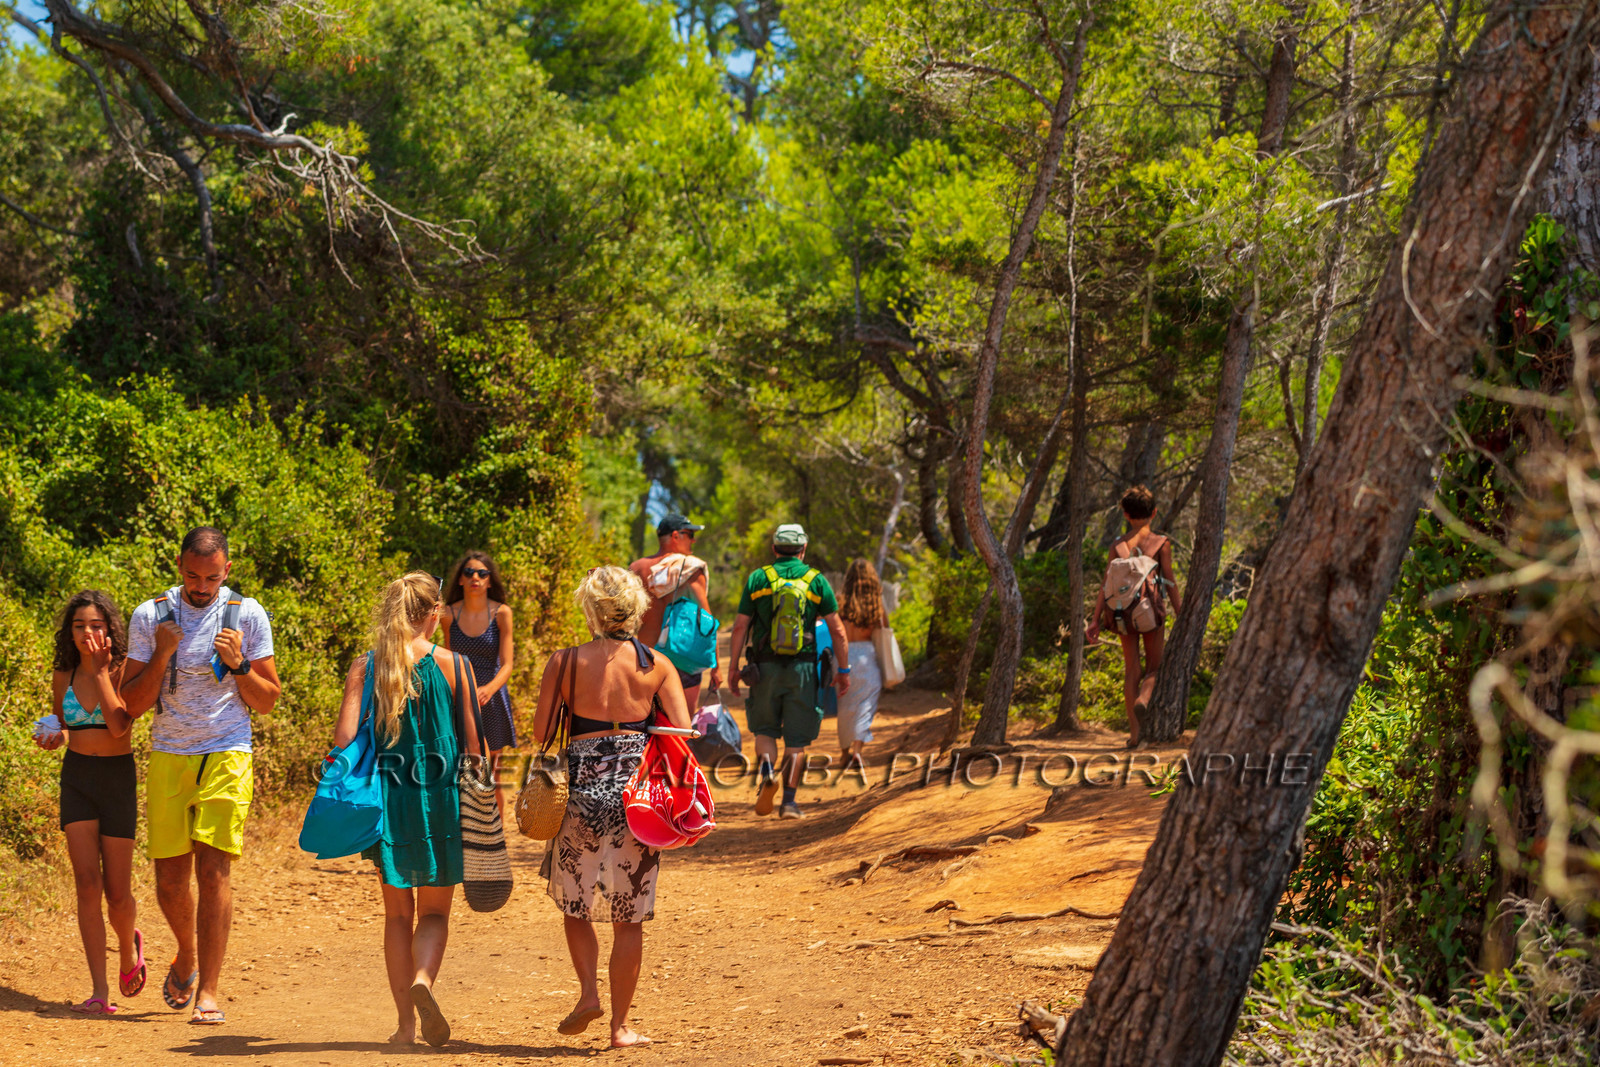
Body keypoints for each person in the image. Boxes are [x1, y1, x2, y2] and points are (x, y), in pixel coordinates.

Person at [119, 526, 280, 1025]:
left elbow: (269, 700)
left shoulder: (247, 615)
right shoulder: (150, 616)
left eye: (212, 577)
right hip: (169, 752)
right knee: (170, 882)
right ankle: (186, 954)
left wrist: (237, 665)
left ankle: (208, 992)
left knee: (213, 872)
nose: (202, 586)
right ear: (178, 564)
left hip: (227, 751)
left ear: (227, 570)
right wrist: (164, 652)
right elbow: (130, 703)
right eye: (193, 575)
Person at [532, 566, 691, 1050]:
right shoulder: (657, 665)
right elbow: (682, 734)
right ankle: (620, 1027)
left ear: (590, 609)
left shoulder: (564, 662)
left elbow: (541, 735)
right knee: (629, 916)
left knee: (575, 906)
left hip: (579, 798)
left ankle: (586, 994)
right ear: (636, 608)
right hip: (636, 800)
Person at [332, 572, 478, 1048]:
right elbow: (474, 751)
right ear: (434, 613)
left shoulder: (366, 667)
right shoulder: (455, 665)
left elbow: (344, 742)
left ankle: (403, 1027)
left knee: (397, 917)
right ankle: (424, 980)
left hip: (388, 800)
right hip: (439, 799)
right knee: (434, 914)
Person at [34, 591, 143, 1016]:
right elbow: (62, 727)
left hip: (118, 779)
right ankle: (100, 990)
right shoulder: (62, 674)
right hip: (77, 778)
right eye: (79, 626)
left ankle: (128, 945)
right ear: (70, 631)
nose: (87, 633)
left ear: (109, 629)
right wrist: (52, 737)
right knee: (86, 884)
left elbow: (119, 728)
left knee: (117, 894)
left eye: (95, 625)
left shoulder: (122, 671)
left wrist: (100, 672)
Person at [727, 524, 851, 820]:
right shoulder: (816, 581)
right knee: (797, 741)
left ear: (774, 549)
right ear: (803, 549)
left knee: (765, 731)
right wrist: (843, 670)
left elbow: (741, 626)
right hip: (804, 670)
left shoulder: (759, 578)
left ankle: (768, 773)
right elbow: (837, 630)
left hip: (764, 669)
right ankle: (790, 803)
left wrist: (733, 667)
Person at [1085, 485, 1181, 748]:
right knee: (1154, 669)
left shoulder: (1118, 546)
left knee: (1131, 671)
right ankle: (1144, 700)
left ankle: (1135, 736)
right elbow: (1170, 582)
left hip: (1120, 615)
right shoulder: (1161, 543)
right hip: (1150, 613)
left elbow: (1106, 585)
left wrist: (1095, 620)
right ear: (1154, 513)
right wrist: (1182, 613)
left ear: (1125, 514)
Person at [439, 550, 516, 822]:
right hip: (459, 696)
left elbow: (507, 664)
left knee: (493, 770)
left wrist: (489, 689)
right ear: (460, 579)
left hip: (491, 696)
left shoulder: (502, 613)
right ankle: (464, 829)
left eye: (482, 573)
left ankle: (497, 835)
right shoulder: (447, 614)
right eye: (469, 572)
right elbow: (445, 657)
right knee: (460, 766)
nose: (475, 577)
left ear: (489, 581)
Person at [629, 512, 723, 709]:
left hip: (645, 657)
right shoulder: (690, 569)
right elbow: (706, 620)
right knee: (683, 728)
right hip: (681, 658)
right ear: (675, 536)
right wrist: (716, 666)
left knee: (648, 725)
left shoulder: (636, 568)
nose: (693, 540)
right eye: (689, 534)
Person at [835, 559, 890, 763]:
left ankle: (843, 754)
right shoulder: (875, 604)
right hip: (866, 656)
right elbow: (884, 627)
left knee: (845, 706)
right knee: (865, 705)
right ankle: (858, 751)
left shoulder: (839, 601)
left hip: (842, 655)